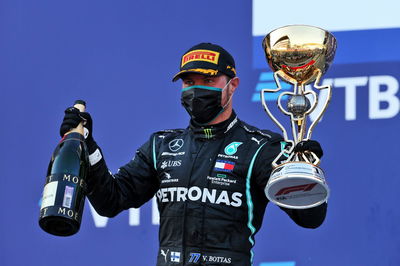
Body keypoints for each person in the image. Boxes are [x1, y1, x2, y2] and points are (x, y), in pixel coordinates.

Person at [60, 43, 327, 266]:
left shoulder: (259, 147)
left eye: (209, 80)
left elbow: (310, 218)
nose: (196, 90)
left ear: (232, 85)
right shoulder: (161, 145)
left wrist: (305, 171)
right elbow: (110, 201)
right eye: (189, 82)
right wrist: (88, 147)